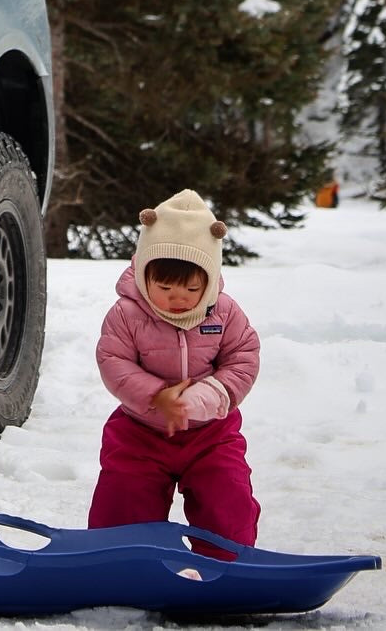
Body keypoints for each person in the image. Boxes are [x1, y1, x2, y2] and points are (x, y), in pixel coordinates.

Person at [88, 188, 261, 558]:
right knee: (124, 497)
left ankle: (226, 562)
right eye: (164, 287)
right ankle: (121, 559)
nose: (177, 298)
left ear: (210, 280)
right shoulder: (127, 314)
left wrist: (207, 396)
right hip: (140, 431)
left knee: (227, 497)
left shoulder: (225, 313)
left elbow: (243, 356)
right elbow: (113, 360)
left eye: (191, 288)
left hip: (211, 432)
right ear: (144, 274)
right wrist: (156, 396)